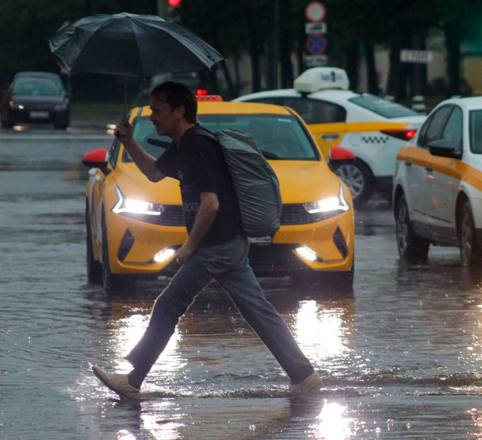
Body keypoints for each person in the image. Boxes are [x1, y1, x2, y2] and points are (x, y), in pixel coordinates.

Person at [91, 81, 322, 399]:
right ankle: (303, 375)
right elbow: (154, 173)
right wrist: (129, 140)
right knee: (257, 309)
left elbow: (210, 203)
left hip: (216, 245)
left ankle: (132, 381)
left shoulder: (196, 146)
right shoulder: (185, 144)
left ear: (179, 111)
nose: (154, 117)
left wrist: (189, 246)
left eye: (158, 110)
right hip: (229, 242)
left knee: (168, 305)